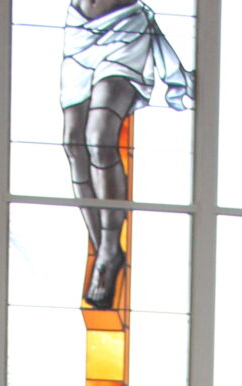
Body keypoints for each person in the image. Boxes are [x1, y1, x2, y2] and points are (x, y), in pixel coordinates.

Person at [61, 0, 194, 309]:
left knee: (100, 137)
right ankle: (104, 247)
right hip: (79, 27)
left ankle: (108, 251)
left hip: (124, 27)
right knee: (73, 143)